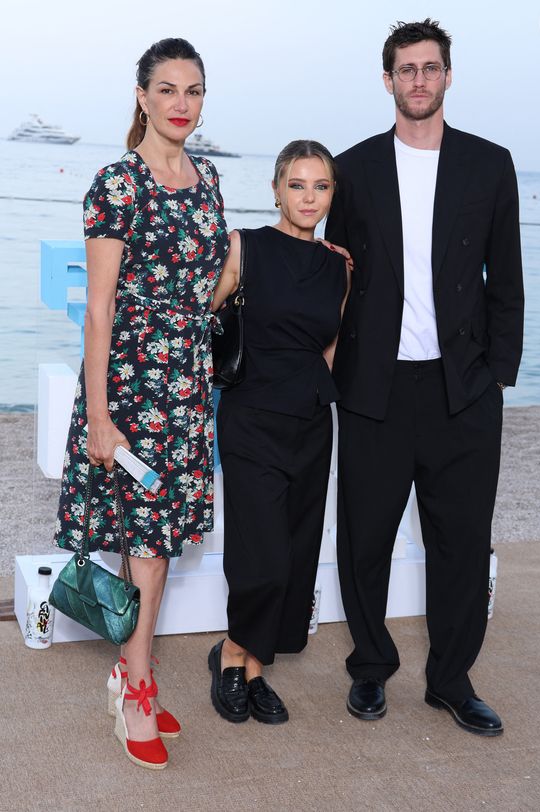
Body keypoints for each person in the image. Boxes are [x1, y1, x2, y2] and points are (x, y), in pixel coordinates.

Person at [325, 19, 524, 736]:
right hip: (374, 387)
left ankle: (451, 680)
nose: (418, 80)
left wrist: (498, 374)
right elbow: (336, 279)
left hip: (462, 388)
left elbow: (507, 278)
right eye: (406, 69)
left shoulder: (489, 165)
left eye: (430, 67)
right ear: (388, 80)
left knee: (461, 541)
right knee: (365, 539)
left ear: (447, 76)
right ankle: (370, 667)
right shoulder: (352, 169)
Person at [54, 38, 228, 768]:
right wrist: (99, 417)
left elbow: (211, 288)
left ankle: (132, 674)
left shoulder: (208, 177)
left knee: (157, 543)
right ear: (142, 97)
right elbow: (99, 309)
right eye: (167, 89)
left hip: (186, 388)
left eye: (193, 90)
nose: (181, 104)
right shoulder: (117, 185)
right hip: (130, 391)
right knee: (149, 549)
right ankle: (136, 690)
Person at [208, 140, 350, 724]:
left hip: (311, 422)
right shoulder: (244, 247)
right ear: (275, 190)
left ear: (332, 195)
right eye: (297, 185)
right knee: (260, 554)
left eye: (320, 186)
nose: (308, 197)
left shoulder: (338, 266)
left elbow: (331, 345)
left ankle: (255, 667)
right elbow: (204, 319)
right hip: (251, 417)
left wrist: (314, 391)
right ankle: (230, 654)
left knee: (293, 553)